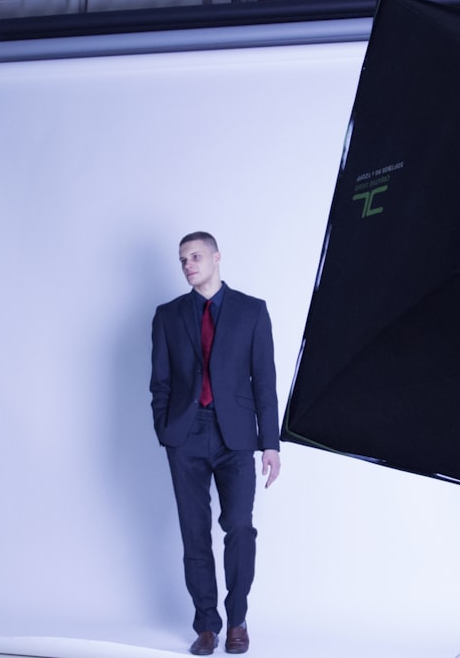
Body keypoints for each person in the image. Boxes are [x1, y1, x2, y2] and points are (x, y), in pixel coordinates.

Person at [150, 231, 281, 655]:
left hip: (236, 437)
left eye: (196, 256)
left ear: (217, 257)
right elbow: (161, 383)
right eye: (183, 259)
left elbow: (265, 381)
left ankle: (237, 619)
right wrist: (165, 431)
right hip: (185, 437)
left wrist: (271, 444)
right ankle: (207, 624)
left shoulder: (252, 312)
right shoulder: (167, 316)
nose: (188, 265)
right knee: (194, 535)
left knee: (239, 526)